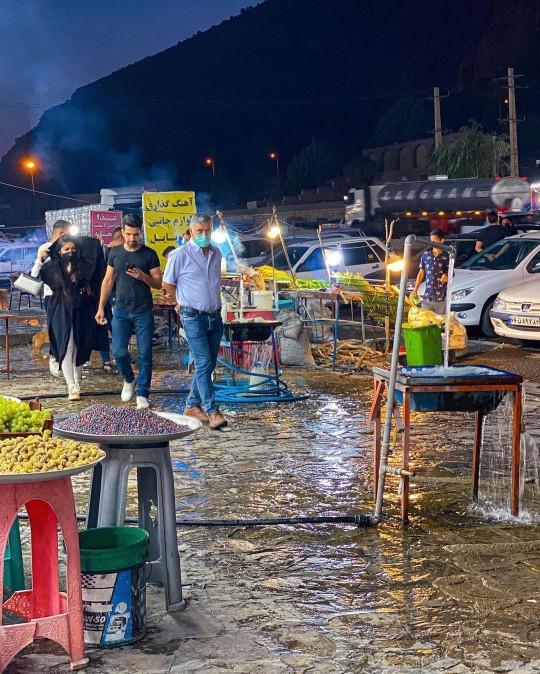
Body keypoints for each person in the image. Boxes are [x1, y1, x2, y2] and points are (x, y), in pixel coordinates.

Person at [163, 214, 227, 430]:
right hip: (192, 316)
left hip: (214, 315)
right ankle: (212, 410)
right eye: (199, 231)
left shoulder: (216, 253)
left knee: (209, 363)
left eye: (207, 230)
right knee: (203, 363)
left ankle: (191, 405)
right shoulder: (179, 255)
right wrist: (178, 302)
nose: (204, 235)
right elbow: (167, 284)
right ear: (191, 232)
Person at [96, 213, 162, 409]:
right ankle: (128, 378)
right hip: (121, 311)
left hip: (143, 311)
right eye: (128, 234)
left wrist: (143, 277)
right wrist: (100, 307)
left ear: (140, 232)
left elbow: (158, 283)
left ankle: (143, 393)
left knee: (145, 353)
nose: (132, 239)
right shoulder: (114, 253)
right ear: (122, 232)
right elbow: (108, 281)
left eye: (135, 234)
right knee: (118, 351)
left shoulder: (149, 254)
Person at [38, 236, 96, 400]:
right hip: (60, 310)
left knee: (79, 346)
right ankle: (71, 386)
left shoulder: (81, 267)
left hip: (80, 310)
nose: (70, 252)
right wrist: (39, 260)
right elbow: (35, 278)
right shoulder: (51, 267)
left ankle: (77, 382)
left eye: (73, 249)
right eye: (66, 249)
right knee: (66, 347)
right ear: (59, 252)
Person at [412, 229, 449, 315]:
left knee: (440, 323)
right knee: (426, 321)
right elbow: (421, 273)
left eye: (435, 239)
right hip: (427, 297)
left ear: (442, 240)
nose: (432, 242)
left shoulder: (447, 255)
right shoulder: (426, 254)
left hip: (441, 299)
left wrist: (446, 276)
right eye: (431, 240)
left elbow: (451, 274)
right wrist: (415, 289)